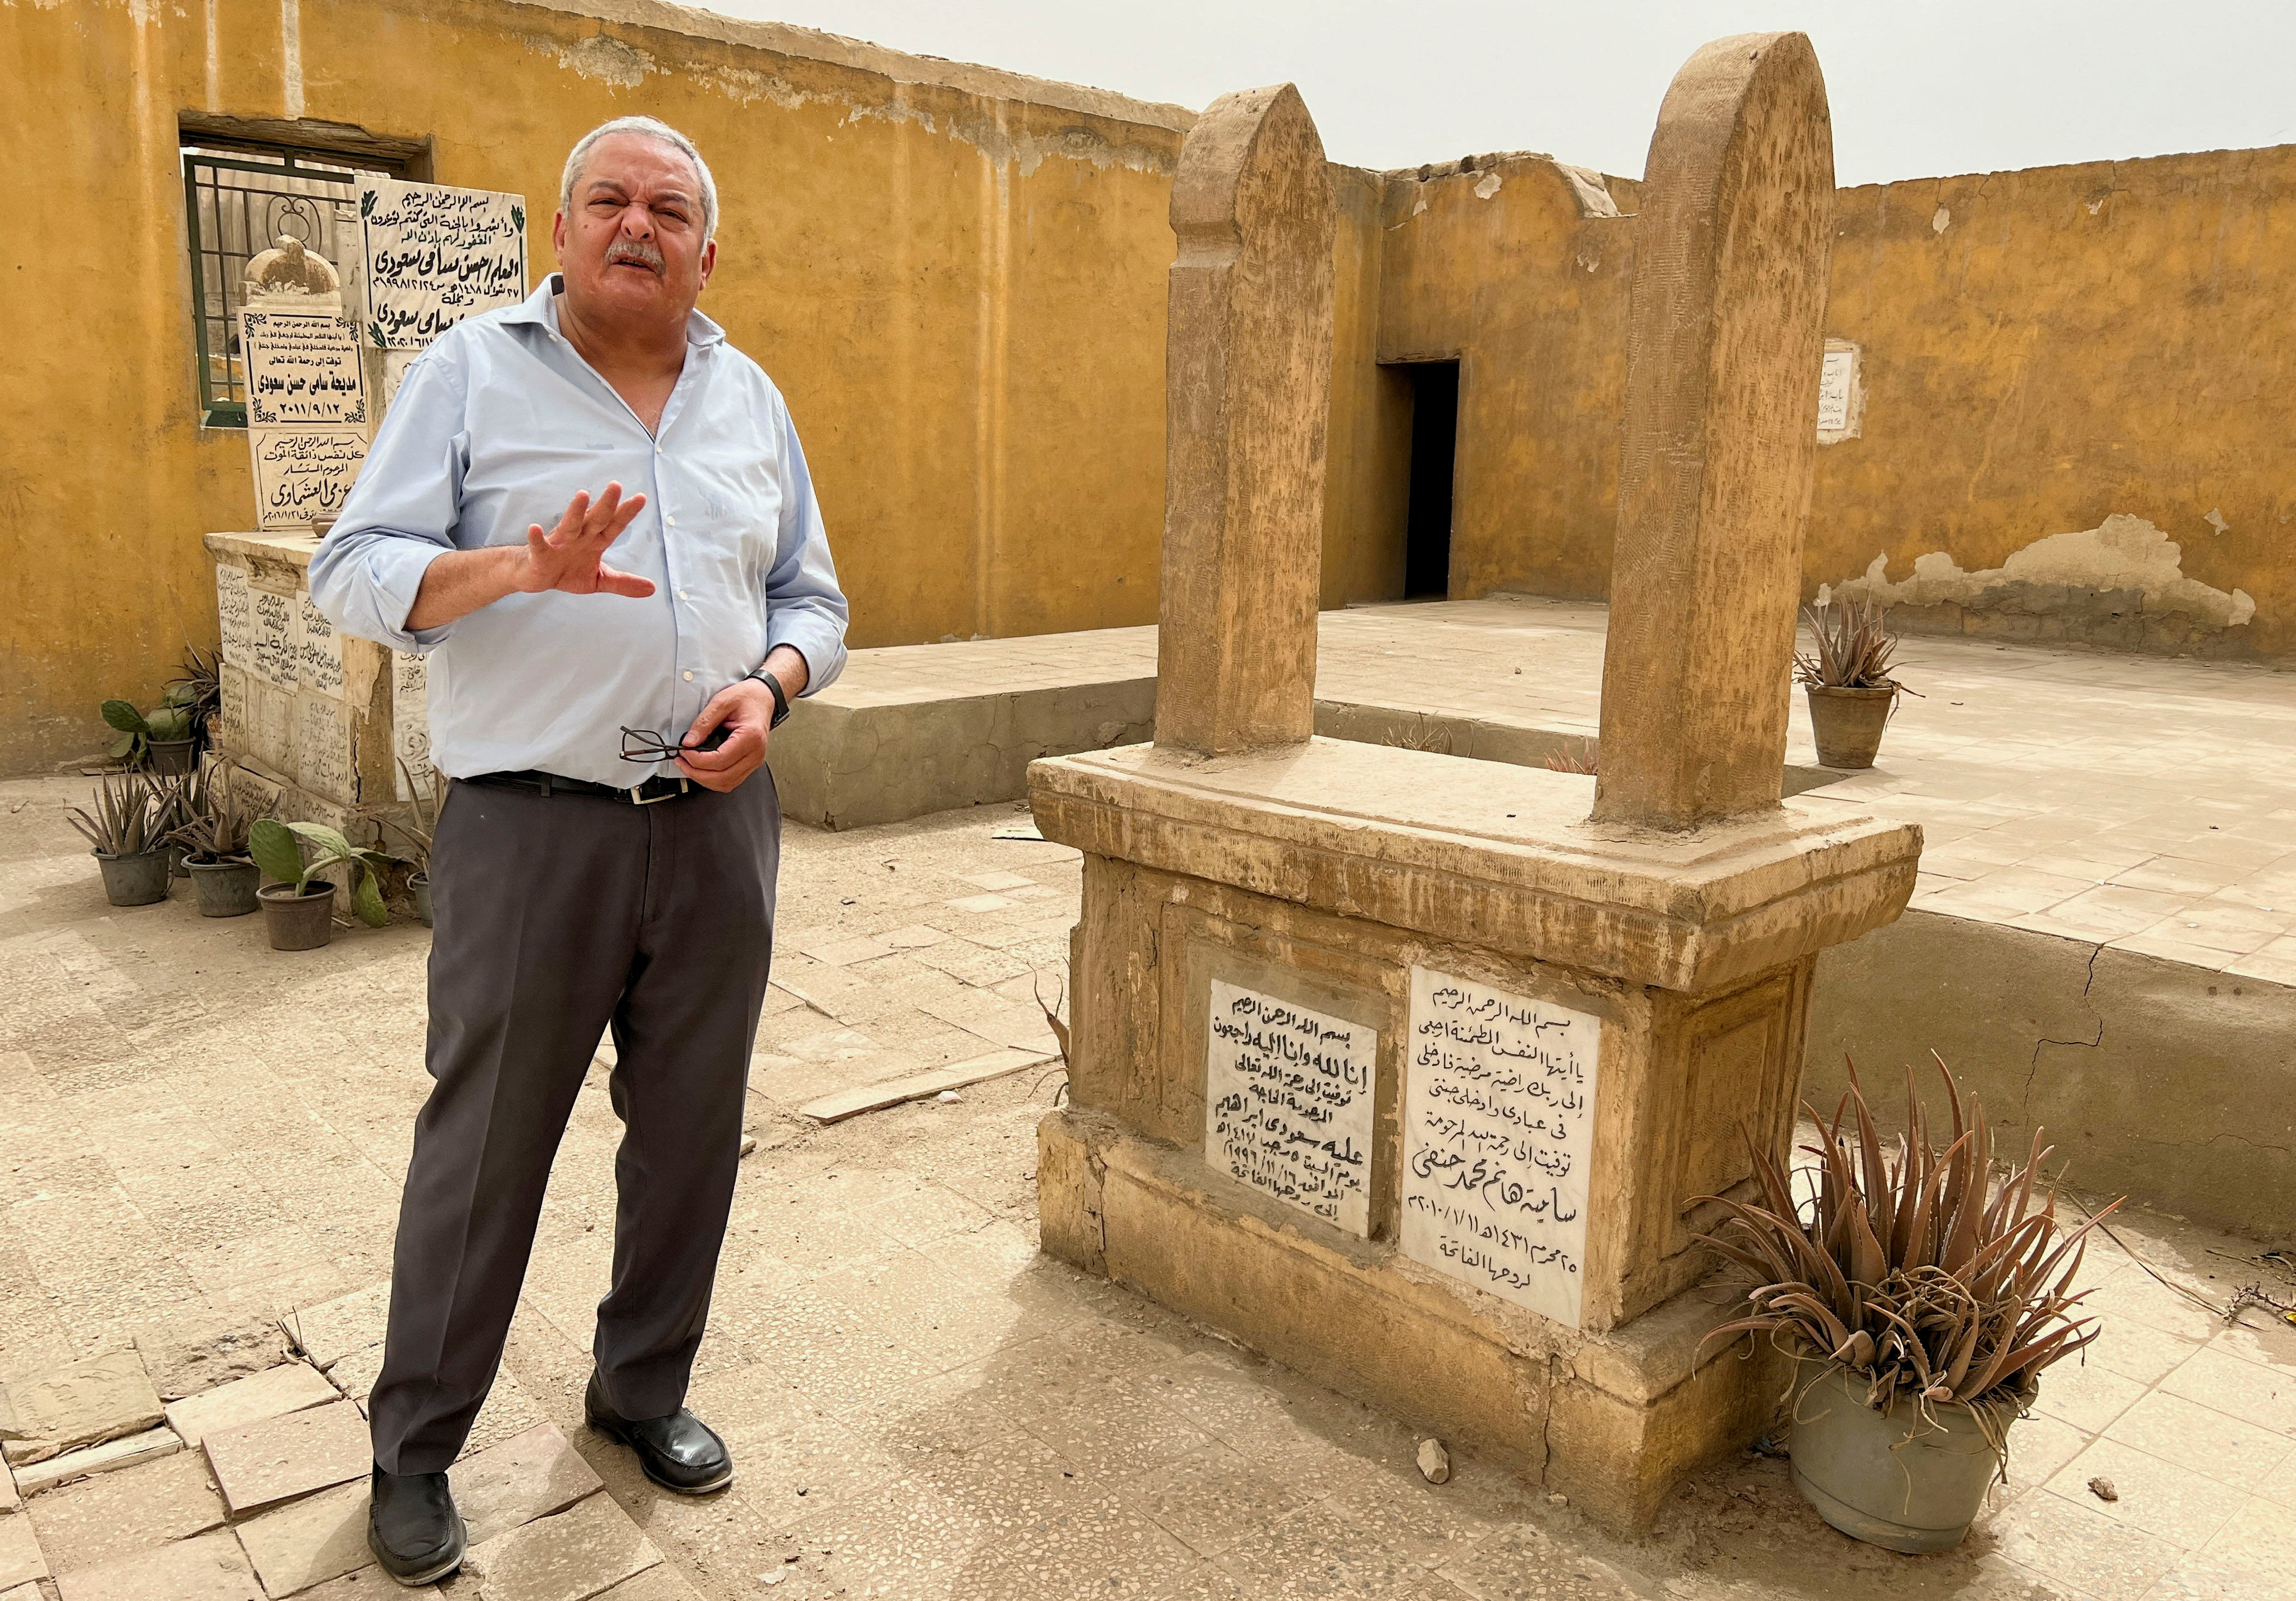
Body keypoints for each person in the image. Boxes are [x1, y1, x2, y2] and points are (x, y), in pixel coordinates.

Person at [309, 114, 847, 1587]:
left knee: (690, 1134)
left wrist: (774, 683)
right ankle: (415, 1447)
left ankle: (640, 1389)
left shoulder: (753, 401)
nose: (636, 223)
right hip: (532, 832)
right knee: (484, 1149)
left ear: (705, 250)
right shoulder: (471, 373)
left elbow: (816, 595)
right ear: (563, 232)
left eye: (667, 207)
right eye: (607, 198)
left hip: (719, 825)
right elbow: (349, 570)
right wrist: (517, 569)